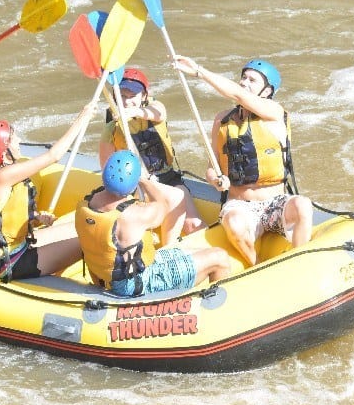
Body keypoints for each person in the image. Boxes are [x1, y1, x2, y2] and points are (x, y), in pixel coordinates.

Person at [174, 55, 313, 266]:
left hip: (274, 203)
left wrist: (199, 71)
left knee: (303, 204)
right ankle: (255, 264)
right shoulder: (222, 120)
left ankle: (300, 263)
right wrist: (216, 180)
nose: (244, 83)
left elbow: (238, 94)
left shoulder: (274, 113)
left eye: (252, 80)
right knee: (233, 222)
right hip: (240, 205)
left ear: (266, 92)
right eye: (243, 78)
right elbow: (212, 168)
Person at [0, 102, 96, 282]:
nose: (19, 141)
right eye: (13, 139)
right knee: (91, 243)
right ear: (4, 152)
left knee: (76, 229)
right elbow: (54, 156)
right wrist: (83, 118)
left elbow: (0, 217)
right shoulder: (2, 176)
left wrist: (35, 217)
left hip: (13, 250)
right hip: (9, 263)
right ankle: (101, 292)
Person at [75, 150, 230, 297]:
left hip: (108, 278)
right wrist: (144, 180)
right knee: (219, 257)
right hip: (137, 284)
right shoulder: (132, 215)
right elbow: (163, 206)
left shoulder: (86, 204)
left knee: (188, 250)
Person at [100, 67, 204, 234]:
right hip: (136, 187)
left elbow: (158, 114)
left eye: (132, 96)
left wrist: (134, 112)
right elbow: (106, 167)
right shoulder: (111, 129)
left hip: (167, 177)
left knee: (192, 224)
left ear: (144, 96)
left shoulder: (155, 107)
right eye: (122, 96)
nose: (127, 101)